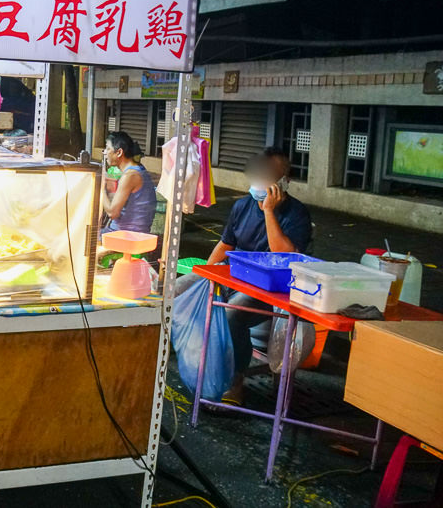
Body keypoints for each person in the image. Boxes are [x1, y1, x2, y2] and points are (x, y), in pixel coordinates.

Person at [179, 147, 312, 406]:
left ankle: (234, 383)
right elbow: (225, 244)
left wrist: (269, 211)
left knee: (232, 316)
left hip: (269, 292)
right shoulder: (242, 206)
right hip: (233, 278)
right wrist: (205, 274)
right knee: (177, 292)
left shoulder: (297, 214)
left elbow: (284, 255)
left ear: (285, 181)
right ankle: (192, 363)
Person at [101, 131, 157, 234]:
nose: (105, 152)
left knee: (83, 239)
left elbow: (112, 213)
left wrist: (100, 189)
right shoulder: (138, 169)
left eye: (108, 148)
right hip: (133, 231)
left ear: (119, 153)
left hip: (125, 233)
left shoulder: (130, 176)